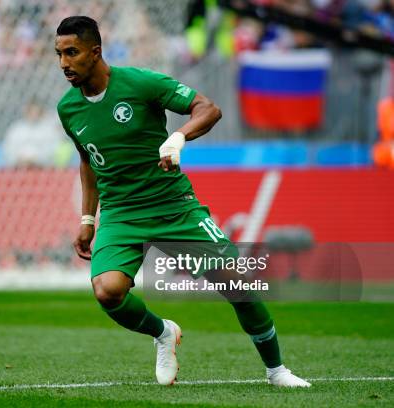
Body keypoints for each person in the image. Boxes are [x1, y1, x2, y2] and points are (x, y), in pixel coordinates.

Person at [55, 16, 311, 387]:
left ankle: (277, 371)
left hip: (173, 205)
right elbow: (88, 160)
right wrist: (87, 220)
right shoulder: (68, 108)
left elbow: (208, 108)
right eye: (59, 54)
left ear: (95, 52)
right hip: (121, 214)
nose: (64, 63)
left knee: (237, 284)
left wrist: (177, 138)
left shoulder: (141, 83)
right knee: (107, 292)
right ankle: (163, 333)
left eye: (72, 53)